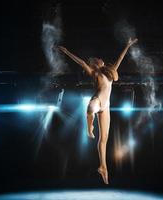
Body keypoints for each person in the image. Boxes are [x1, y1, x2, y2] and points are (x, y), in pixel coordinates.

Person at [58, 38, 138, 184]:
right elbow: (81, 62)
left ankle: (103, 167)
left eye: (101, 59)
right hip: (97, 100)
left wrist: (128, 45)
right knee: (89, 109)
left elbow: (120, 58)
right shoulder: (94, 72)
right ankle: (90, 128)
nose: (101, 59)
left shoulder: (110, 72)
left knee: (104, 140)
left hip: (106, 106)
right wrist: (67, 52)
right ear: (95, 64)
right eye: (97, 59)